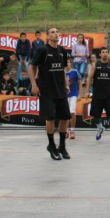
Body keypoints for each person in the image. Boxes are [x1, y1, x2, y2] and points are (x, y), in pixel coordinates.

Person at [29, 27, 71, 161]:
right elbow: (31, 66)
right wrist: (34, 85)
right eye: (53, 32)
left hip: (60, 89)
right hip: (46, 90)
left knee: (65, 117)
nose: (56, 34)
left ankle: (62, 146)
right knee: (51, 118)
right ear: (47, 36)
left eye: (57, 32)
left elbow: (63, 70)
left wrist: (66, 84)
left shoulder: (62, 51)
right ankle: (52, 145)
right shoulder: (43, 50)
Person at [85, 47, 110, 144]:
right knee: (95, 115)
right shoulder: (95, 65)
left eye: (106, 52)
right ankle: (100, 128)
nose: (105, 54)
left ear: (108, 54)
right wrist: (87, 91)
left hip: (109, 95)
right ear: (100, 55)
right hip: (97, 94)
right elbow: (89, 78)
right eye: (103, 52)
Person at [65, 58, 82, 139]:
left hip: (73, 94)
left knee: (72, 111)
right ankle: (65, 131)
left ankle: (72, 131)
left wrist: (80, 94)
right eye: (66, 62)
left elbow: (79, 82)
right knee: (65, 113)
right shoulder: (61, 72)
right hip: (64, 95)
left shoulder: (74, 71)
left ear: (71, 63)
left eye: (68, 62)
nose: (67, 63)